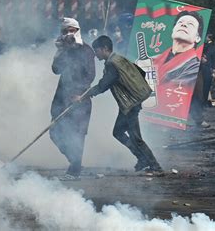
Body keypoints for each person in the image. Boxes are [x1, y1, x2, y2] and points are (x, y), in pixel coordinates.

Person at [77, 35, 162, 172]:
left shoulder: (112, 64)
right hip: (130, 103)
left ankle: (154, 165)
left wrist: (83, 96)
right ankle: (142, 158)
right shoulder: (120, 59)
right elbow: (140, 72)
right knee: (118, 132)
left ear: (104, 49)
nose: (95, 53)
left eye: (96, 50)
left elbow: (103, 85)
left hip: (130, 105)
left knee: (136, 137)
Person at [49, 18, 95, 180]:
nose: (68, 34)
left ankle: (74, 169)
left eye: (71, 30)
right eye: (65, 31)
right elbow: (56, 70)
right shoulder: (64, 49)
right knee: (54, 131)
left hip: (79, 98)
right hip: (62, 97)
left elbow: (90, 75)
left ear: (77, 31)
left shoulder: (86, 50)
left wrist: (80, 94)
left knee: (77, 134)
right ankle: (74, 161)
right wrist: (61, 51)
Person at [153, 11, 204, 86]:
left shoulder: (194, 67)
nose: (183, 25)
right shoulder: (154, 60)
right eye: (180, 22)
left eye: (190, 24)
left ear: (197, 38)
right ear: (173, 30)